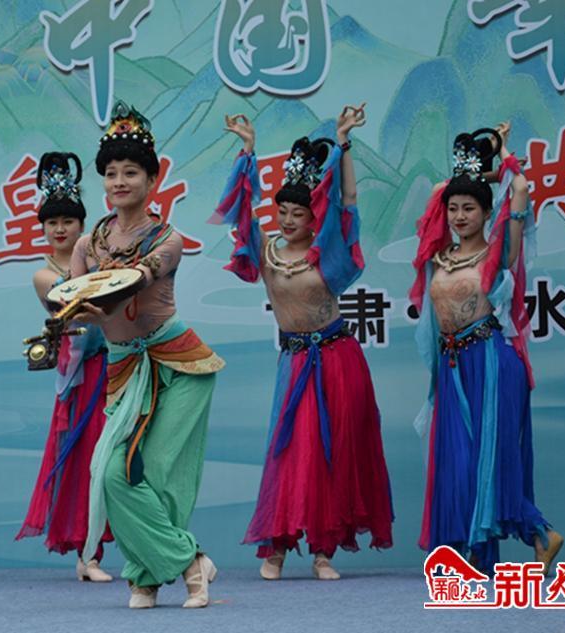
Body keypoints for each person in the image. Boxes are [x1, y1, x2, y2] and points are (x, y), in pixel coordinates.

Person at [211, 106, 393, 580]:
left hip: (337, 359)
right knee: (292, 451)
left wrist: (344, 143)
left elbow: (348, 201)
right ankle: (276, 548)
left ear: (316, 218)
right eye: (284, 212)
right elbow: (241, 206)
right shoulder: (265, 249)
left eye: (300, 213)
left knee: (333, 453)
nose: (289, 220)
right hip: (294, 362)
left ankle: (323, 551)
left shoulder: (327, 252)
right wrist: (247, 151)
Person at [71, 101, 225, 609]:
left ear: (152, 179)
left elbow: (139, 276)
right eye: (111, 173)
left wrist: (97, 298)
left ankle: (145, 577)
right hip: (124, 369)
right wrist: (69, 313)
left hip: (179, 364)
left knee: (155, 471)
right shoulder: (88, 244)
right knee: (110, 473)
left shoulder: (167, 239)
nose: (119, 181)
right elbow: (76, 307)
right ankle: (189, 561)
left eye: (130, 172)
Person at [410, 123, 563, 573]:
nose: (459, 216)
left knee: (488, 461)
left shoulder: (499, 253)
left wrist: (503, 156)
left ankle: (539, 532)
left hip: (492, 362)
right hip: (452, 364)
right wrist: (474, 172)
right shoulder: (440, 254)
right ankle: (476, 552)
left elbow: (521, 189)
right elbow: (438, 191)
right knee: (457, 463)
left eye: (469, 208)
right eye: (454, 208)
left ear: (486, 211)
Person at [17, 152, 113, 582]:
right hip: (80, 376)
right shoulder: (43, 276)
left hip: (114, 366)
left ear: (81, 225)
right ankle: (86, 554)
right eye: (52, 222)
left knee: (117, 460)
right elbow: (75, 298)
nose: (60, 229)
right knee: (82, 461)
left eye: (68, 221)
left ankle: (128, 546)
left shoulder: (100, 261)